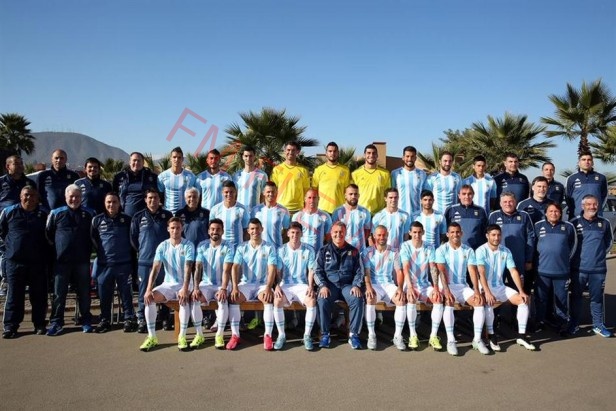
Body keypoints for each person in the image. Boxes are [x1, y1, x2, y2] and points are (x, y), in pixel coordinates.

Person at [139, 217, 196, 352]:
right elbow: (156, 268)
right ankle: (152, 336)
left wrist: (185, 288)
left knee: (183, 299)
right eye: (172, 228)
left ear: (182, 229)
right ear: (168, 229)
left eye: (178, 228)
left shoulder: (188, 245)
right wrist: (148, 289)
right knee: (150, 298)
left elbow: (188, 268)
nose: (175, 230)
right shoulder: (162, 246)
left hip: (185, 284)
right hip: (168, 284)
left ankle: (182, 336)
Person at [476, 224, 536, 351]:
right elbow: (481, 273)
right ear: (487, 236)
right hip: (485, 287)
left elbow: (513, 271)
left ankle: (521, 336)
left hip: (500, 286)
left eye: (498, 235)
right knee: (489, 302)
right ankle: (491, 335)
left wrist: (521, 291)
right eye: (493, 235)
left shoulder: (506, 251)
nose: (496, 238)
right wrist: (487, 292)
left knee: (523, 300)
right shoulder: (480, 250)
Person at [45, 185, 95, 335]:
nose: (74, 199)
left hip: (82, 261)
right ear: (66, 197)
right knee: (59, 293)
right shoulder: (55, 213)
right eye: (71, 196)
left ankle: (86, 320)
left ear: (81, 198)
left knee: (84, 293)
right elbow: (48, 234)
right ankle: (56, 322)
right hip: (61, 262)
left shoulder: (90, 213)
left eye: (77, 196)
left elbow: (94, 235)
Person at [0, 186, 49, 338]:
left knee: (39, 295)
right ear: (21, 196)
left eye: (33, 195)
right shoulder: (9, 212)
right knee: (14, 295)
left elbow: (50, 234)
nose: (29, 198)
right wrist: (8, 250)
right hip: (15, 261)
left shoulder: (44, 213)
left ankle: (39, 324)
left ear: (37, 197)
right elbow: (2, 232)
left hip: (37, 261)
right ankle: (10, 326)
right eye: (26, 195)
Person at [435, 222, 487, 356]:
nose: (455, 235)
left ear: (461, 233)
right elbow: (441, 271)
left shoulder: (468, 250)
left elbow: (472, 271)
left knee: (479, 302)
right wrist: (446, 291)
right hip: (446, 286)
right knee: (449, 302)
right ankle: (451, 340)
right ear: (447, 234)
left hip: (463, 287)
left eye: (457, 232)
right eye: (452, 232)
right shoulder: (441, 250)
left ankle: (477, 340)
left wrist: (476, 290)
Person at [227, 218, 278, 350]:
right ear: (248, 231)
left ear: (262, 229)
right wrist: (235, 287)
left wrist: (268, 287)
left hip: (262, 285)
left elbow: (272, 268)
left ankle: (267, 335)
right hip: (246, 284)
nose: (255, 231)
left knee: (268, 298)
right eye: (252, 229)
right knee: (234, 298)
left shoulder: (269, 247)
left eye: (257, 228)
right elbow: (235, 267)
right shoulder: (242, 247)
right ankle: (235, 335)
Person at [91, 192, 137, 333]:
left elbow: (133, 240)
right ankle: (105, 320)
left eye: (114, 202)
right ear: (105, 203)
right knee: (104, 295)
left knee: (126, 294)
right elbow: (93, 240)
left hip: (124, 264)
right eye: (109, 202)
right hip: (105, 265)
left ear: (119, 203)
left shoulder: (127, 220)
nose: (111, 205)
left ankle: (129, 319)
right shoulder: (97, 220)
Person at [314, 222, 365, 349]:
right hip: (330, 286)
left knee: (357, 298)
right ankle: (325, 334)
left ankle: (353, 335)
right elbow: (317, 271)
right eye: (335, 232)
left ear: (345, 233)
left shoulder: (353, 251)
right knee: (322, 299)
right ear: (331, 233)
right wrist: (322, 285)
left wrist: (356, 285)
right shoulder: (323, 250)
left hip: (347, 285)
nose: (338, 235)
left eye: (341, 232)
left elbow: (359, 271)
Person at [569, 195, 614, 337]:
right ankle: (574, 324)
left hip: (598, 269)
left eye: (594, 204)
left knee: (597, 298)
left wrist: (598, 255)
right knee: (576, 297)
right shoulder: (574, 222)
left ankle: (598, 325)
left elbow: (609, 242)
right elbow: (569, 244)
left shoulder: (604, 223)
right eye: (588, 204)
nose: (592, 207)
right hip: (578, 269)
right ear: (583, 206)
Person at [130, 188, 174, 333]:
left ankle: (165, 317)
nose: (152, 200)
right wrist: (143, 250)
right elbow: (133, 238)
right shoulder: (138, 216)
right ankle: (142, 318)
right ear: (145, 200)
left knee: (164, 290)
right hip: (145, 261)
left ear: (159, 199)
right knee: (145, 291)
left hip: (163, 262)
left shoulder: (167, 215)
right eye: (150, 198)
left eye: (155, 198)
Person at [400, 221, 444, 351]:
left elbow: (433, 268)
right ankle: (413, 335)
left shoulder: (429, 247)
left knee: (438, 299)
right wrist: (409, 287)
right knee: (411, 298)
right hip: (410, 284)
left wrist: (436, 287)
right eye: (414, 232)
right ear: (410, 233)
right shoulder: (405, 246)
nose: (417, 235)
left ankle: (433, 336)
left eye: (419, 232)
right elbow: (405, 268)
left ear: (423, 232)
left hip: (425, 285)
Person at [274, 222, 318, 350]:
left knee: (311, 300)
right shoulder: (281, 250)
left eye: (297, 232)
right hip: (286, 284)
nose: (295, 235)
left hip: (302, 284)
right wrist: (277, 286)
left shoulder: (309, 249)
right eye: (292, 232)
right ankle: (281, 335)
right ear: (288, 234)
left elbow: (311, 270)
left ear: (302, 234)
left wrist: (311, 286)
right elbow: (278, 272)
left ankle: (307, 336)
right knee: (277, 300)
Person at [534, 203, 577, 333]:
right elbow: (533, 246)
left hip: (562, 271)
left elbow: (574, 246)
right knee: (540, 298)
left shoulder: (568, 227)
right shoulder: (538, 226)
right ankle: (539, 321)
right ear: (546, 213)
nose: (554, 213)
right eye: (551, 211)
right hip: (542, 271)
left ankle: (562, 323)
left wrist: (565, 259)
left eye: (556, 211)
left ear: (560, 213)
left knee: (561, 299)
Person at [192, 219, 236, 348]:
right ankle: (199, 334)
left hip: (222, 284)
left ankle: (219, 335)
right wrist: (195, 288)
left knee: (222, 299)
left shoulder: (228, 246)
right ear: (208, 231)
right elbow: (198, 268)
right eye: (212, 229)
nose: (215, 232)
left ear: (222, 231)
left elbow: (227, 270)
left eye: (218, 229)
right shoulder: (202, 245)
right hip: (206, 284)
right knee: (195, 299)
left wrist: (223, 288)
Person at [362, 225, 405, 350]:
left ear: (387, 235)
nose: (382, 237)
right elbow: (366, 272)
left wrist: (400, 288)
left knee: (401, 299)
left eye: (384, 235)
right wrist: (368, 287)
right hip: (375, 285)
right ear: (374, 236)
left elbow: (399, 272)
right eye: (379, 235)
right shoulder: (367, 252)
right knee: (370, 298)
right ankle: (371, 335)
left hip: (389, 284)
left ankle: (398, 336)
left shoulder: (394, 252)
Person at [0, 155, 36, 295]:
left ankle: (24, 280)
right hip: (5, 223)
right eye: (16, 163)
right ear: (8, 166)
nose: (20, 166)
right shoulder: (1, 182)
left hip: (25, 222)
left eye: (21, 163)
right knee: (5, 252)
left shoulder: (29, 183)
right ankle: (5, 281)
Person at [488, 192, 536, 293]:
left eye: (510, 201)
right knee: (496, 289)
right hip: (498, 259)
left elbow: (530, 238)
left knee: (518, 289)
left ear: (515, 202)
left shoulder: (524, 215)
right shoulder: (493, 216)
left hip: (518, 259)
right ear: (500, 203)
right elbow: (488, 238)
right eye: (505, 202)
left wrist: (529, 259)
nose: (508, 204)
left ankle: (518, 303)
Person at [113, 152, 159, 217]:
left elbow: (159, 194)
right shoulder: (120, 177)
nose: (136, 163)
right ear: (130, 162)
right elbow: (114, 196)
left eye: (139, 160)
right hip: (125, 217)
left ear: (143, 163)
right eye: (134, 160)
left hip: (147, 217)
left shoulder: (152, 177)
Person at [312, 141, 352, 214]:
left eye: (334, 151)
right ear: (326, 153)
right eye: (330, 151)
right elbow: (314, 191)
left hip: (339, 210)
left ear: (338, 153)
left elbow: (346, 191)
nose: (332, 153)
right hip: (322, 210)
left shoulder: (345, 170)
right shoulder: (318, 170)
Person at [270, 141, 310, 214]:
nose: (290, 152)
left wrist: (306, 208)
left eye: (293, 150)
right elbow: (272, 190)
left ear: (298, 152)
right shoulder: (277, 169)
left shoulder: (303, 170)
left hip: (298, 210)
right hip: (280, 208)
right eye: (288, 150)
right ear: (284, 151)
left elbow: (306, 192)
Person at [565, 152, 608, 220]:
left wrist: (596, 209)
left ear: (592, 163)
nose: (586, 162)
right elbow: (568, 198)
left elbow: (604, 197)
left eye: (589, 160)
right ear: (579, 163)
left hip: (596, 218)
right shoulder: (571, 178)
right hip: (576, 218)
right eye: (583, 159)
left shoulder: (601, 178)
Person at [444, 184, 488, 249]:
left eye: (469, 194)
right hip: (455, 249)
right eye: (464, 194)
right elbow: (445, 232)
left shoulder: (481, 211)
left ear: (473, 195)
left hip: (476, 249)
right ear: (459, 196)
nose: (467, 196)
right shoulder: (451, 210)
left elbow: (485, 232)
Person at [351, 144, 390, 215]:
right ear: (364, 155)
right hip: (360, 213)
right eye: (368, 153)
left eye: (374, 153)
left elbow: (388, 194)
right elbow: (351, 194)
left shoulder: (385, 174)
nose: (371, 155)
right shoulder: (355, 174)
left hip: (379, 214)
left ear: (377, 155)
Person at [331, 184, 372, 252]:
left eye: (355, 194)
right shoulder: (337, 212)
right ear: (345, 195)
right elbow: (333, 232)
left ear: (358, 195)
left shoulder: (365, 212)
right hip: (343, 251)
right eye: (350, 194)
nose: (353, 196)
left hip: (360, 252)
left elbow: (367, 231)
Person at [209, 181, 250, 247]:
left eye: (231, 192)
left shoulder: (242, 209)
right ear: (222, 192)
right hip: (221, 247)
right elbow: (211, 230)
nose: (229, 194)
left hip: (237, 247)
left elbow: (246, 231)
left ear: (235, 192)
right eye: (226, 192)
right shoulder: (215, 209)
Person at [157, 147, 197, 214]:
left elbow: (195, 195)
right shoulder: (162, 176)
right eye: (174, 157)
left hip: (185, 214)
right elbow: (160, 195)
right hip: (168, 214)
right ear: (170, 158)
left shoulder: (190, 176)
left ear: (182, 159)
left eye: (179, 157)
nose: (176, 159)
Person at [251, 181, 290, 248]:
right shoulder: (255, 210)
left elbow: (287, 232)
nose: (271, 194)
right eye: (268, 192)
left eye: (273, 192)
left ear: (276, 192)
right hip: (260, 249)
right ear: (263, 193)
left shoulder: (284, 210)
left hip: (277, 249)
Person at [292, 189, 332, 253]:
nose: (312, 200)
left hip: (318, 254)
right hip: (301, 253)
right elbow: (293, 237)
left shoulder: (325, 216)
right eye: (309, 198)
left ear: (318, 199)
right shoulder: (296, 216)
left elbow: (328, 237)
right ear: (305, 199)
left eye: (314, 198)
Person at [391, 145, 427, 216]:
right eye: (407, 156)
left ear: (415, 158)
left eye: (412, 156)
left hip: (417, 214)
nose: (410, 159)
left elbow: (425, 194)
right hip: (400, 214)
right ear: (403, 157)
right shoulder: (395, 173)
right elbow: (392, 193)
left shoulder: (422, 174)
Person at [233, 146, 268, 212]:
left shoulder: (262, 175)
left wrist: (260, 211)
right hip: (240, 212)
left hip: (255, 213)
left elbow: (263, 196)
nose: (248, 158)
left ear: (254, 157)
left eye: (250, 156)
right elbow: (234, 194)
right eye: (246, 156)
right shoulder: (237, 175)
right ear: (243, 157)